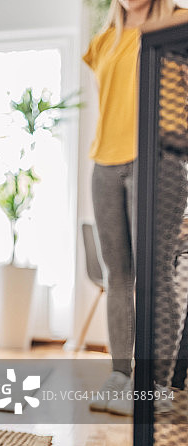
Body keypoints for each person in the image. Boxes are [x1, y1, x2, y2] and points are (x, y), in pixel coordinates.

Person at [83, 0, 180, 416]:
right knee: (117, 274)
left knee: (153, 274)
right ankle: (120, 375)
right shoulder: (103, 41)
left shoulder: (178, 25)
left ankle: (156, 384)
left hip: (159, 160)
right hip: (105, 164)